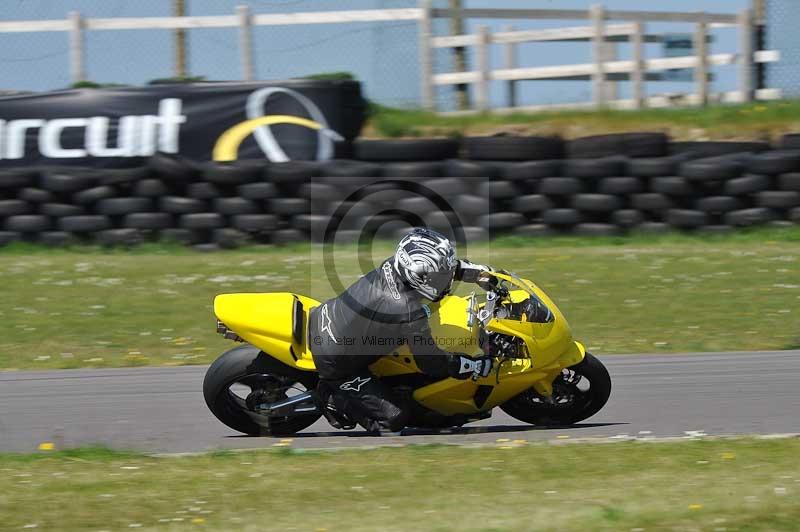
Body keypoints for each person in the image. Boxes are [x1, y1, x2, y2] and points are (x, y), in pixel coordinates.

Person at [308, 227, 497, 434]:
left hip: (330, 316)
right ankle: (332, 397)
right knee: (394, 419)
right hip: (334, 360)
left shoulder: (395, 265)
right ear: (417, 275)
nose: (447, 283)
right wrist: (473, 365)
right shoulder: (408, 311)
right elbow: (432, 364)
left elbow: (439, 267)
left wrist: (480, 274)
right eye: (440, 278)